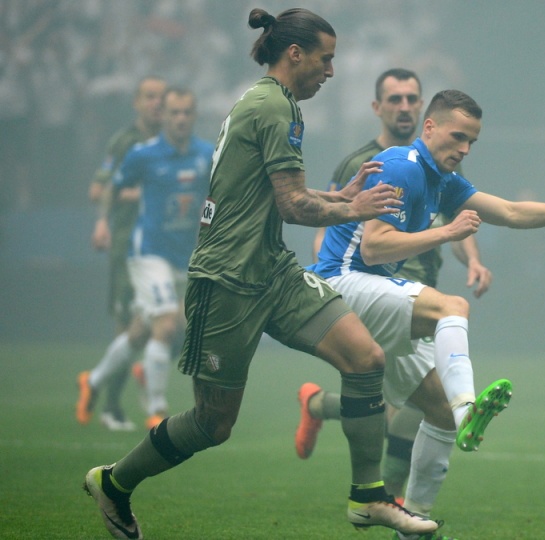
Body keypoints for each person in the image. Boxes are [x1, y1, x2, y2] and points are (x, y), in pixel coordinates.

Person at [82, 8, 439, 539]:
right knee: (213, 423)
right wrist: (357, 209)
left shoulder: (273, 102)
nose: (331, 71)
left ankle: (368, 497)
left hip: (271, 270)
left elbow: (281, 196)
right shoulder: (274, 106)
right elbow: (294, 207)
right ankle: (115, 483)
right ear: (295, 54)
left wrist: (337, 196)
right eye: (326, 58)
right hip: (226, 281)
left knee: (365, 358)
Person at [300, 89, 545, 538]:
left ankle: (412, 526)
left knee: (437, 414)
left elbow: (509, 211)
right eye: (457, 136)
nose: (464, 149)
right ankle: (468, 406)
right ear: (429, 127)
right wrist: (447, 231)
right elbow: (373, 247)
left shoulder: (444, 181)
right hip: (340, 286)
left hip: (365, 293)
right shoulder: (400, 168)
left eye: (472, 141)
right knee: (452, 306)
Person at [300, 69, 493, 503]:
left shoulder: (439, 166)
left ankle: (404, 515)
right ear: (378, 108)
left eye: (411, 98)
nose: (403, 106)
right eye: (396, 99)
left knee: (424, 407)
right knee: (405, 406)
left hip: (407, 286)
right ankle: (389, 496)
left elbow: (474, 218)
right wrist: (327, 275)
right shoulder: (369, 163)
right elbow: (338, 229)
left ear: (422, 107)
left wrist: (475, 259)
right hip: (365, 284)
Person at [81, 87, 214, 434]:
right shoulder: (143, 154)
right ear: (164, 117)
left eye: (187, 112)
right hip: (148, 252)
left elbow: (214, 196)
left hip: (183, 254)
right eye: (174, 113)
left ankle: (93, 381)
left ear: (194, 115)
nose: (181, 119)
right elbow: (111, 187)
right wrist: (101, 223)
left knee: (144, 331)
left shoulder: (205, 154)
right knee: (166, 324)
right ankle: (157, 408)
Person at [77, 75, 167, 432]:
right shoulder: (125, 142)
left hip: (161, 251)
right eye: (149, 97)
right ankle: (111, 404)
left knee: (164, 326)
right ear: (137, 102)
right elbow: (98, 188)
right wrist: (103, 221)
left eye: (161, 97)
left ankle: (118, 379)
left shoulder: (172, 144)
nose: (156, 103)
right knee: (126, 327)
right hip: (127, 246)